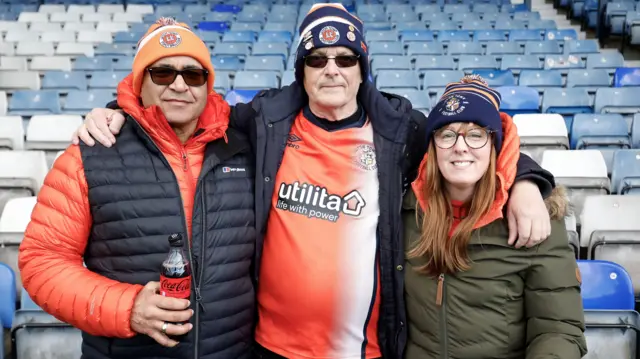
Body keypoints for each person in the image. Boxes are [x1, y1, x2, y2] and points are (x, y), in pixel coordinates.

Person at [71, 5, 557, 359]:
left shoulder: (398, 131)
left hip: (364, 350)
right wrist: (121, 112)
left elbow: (468, 142)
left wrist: (528, 180)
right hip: (269, 347)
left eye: (345, 59)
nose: (331, 70)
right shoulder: (263, 123)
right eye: (317, 59)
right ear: (300, 69)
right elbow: (190, 113)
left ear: (362, 68)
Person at [18, 18, 256, 359]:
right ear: (139, 81)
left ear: (207, 85)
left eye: (193, 74)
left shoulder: (246, 149)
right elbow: (41, 262)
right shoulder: (89, 153)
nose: (179, 85)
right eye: (162, 73)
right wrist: (126, 308)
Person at [402, 75, 587, 358]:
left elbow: (558, 329)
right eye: (446, 134)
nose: (460, 147)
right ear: (432, 145)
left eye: (476, 135)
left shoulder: (537, 220)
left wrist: (526, 182)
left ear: (494, 147)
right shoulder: (406, 209)